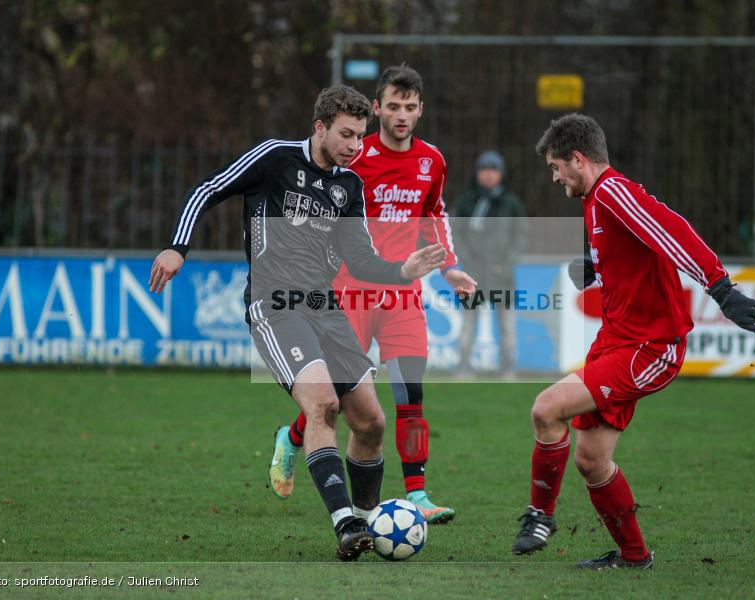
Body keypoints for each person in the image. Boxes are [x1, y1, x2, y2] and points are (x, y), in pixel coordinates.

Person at [149, 85, 446, 561]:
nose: (354, 146)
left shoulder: (350, 186)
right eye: (346, 135)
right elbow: (207, 189)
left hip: (326, 309)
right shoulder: (275, 158)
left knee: (370, 423)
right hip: (275, 304)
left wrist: (401, 271)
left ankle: (369, 521)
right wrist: (176, 246)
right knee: (323, 405)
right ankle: (344, 522)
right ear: (320, 127)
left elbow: (362, 259)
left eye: (360, 137)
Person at [511, 114, 755, 568]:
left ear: (578, 158)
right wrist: (593, 265)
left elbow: (671, 229)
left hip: (650, 347)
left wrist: (721, 289)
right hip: (616, 341)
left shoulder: (612, 191)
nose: (554, 177)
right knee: (591, 459)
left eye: (556, 167)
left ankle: (539, 515)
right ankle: (634, 558)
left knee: (546, 408)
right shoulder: (595, 200)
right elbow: (632, 249)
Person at [269, 65, 476, 524]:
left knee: (410, 393)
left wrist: (452, 268)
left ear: (421, 110)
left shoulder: (432, 161)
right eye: (393, 106)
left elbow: (434, 215)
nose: (402, 115)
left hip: (402, 295)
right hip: (350, 291)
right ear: (377, 107)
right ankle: (293, 435)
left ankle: (418, 493)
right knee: (346, 402)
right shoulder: (354, 155)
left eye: (410, 107)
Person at [452, 150, 527, 378]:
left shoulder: (511, 204)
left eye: (493, 170)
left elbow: (520, 236)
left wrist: (506, 263)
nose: (488, 175)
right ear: (476, 173)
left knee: (507, 326)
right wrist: (467, 260)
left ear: (501, 174)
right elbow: (455, 235)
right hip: (472, 274)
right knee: (468, 324)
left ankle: (508, 367)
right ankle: (464, 366)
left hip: (502, 276)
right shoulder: (465, 202)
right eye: (484, 170)